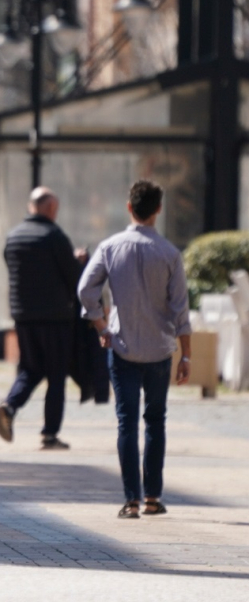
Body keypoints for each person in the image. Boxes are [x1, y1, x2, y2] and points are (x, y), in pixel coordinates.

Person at [77, 180, 190, 519]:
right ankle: (153, 497)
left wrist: (100, 325)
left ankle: (131, 500)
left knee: (127, 422)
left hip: (121, 346)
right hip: (159, 348)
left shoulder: (110, 247)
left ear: (130, 207)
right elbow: (180, 308)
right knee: (155, 420)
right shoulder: (170, 253)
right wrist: (186, 354)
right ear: (158, 209)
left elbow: (86, 290)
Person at [0, 187, 80, 450]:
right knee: (55, 375)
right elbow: (73, 276)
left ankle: (8, 407)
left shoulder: (14, 236)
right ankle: (49, 434)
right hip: (54, 317)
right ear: (51, 209)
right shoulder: (54, 236)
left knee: (31, 368)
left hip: (22, 316)